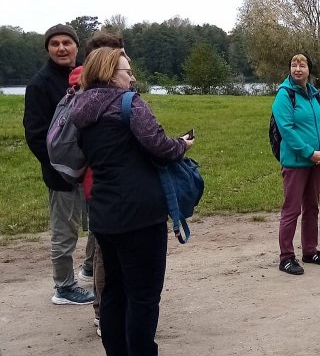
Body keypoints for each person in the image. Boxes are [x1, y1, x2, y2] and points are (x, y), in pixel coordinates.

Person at [70, 47, 193, 355]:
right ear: (111, 74)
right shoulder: (128, 103)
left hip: (104, 212)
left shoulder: (80, 107)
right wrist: (182, 144)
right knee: (144, 295)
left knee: (114, 290)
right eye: (127, 72)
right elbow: (159, 145)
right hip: (140, 214)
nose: (133, 77)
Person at [23, 23, 95, 305]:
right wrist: (62, 167)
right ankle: (63, 287)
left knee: (100, 224)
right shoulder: (39, 85)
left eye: (67, 42)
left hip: (93, 169)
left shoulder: (88, 75)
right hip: (62, 175)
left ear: (77, 47)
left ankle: (90, 268)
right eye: (55, 44)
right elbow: (35, 135)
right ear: (48, 49)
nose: (62, 48)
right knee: (65, 233)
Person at [68, 31, 127, 337]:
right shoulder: (91, 89)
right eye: (115, 57)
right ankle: (104, 312)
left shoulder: (85, 89)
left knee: (106, 248)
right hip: (104, 182)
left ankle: (112, 310)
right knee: (106, 252)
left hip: (103, 182)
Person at [272, 53, 320, 275]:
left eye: (302, 65)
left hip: (317, 160)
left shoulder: (315, 94)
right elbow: (286, 130)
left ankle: (310, 251)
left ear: (309, 69)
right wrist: (310, 153)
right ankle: (286, 257)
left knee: (312, 207)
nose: (297, 69)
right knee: (292, 210)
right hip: (297, 162)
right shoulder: (284, 95)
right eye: (293, 65)